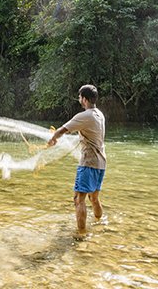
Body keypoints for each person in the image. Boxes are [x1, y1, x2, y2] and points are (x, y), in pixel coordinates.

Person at [47, 84, 106, 237]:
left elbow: (61, 130)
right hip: (101, 163)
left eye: (80, 97)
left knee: (78, 199)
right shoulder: (99, 114)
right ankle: (100, 223)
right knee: (94, 197)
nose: (79, 99)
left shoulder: (84, 116)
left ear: (85, 99)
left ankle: (81, 234)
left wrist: (53, 139)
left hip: (89, 163)